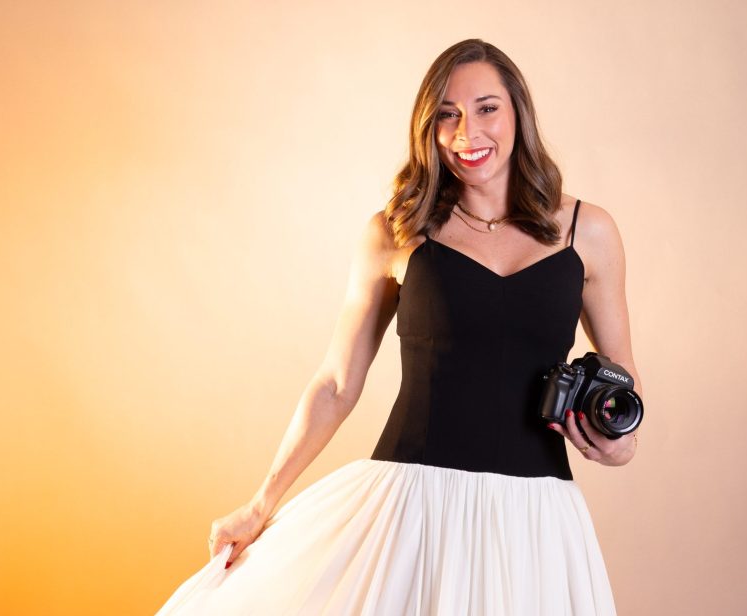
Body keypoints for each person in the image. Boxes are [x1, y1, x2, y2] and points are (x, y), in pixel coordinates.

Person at [155, 38, 642, 615]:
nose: (467, 133)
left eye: (486, 108)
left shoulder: (589, 232)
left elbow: (625, 387)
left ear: (518, 112)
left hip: (535, 522)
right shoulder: (397, 231)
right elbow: (337, 383)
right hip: (413, 513)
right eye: (447, 115)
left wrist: (618, 446)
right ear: (427, 128)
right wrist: (260, 505)